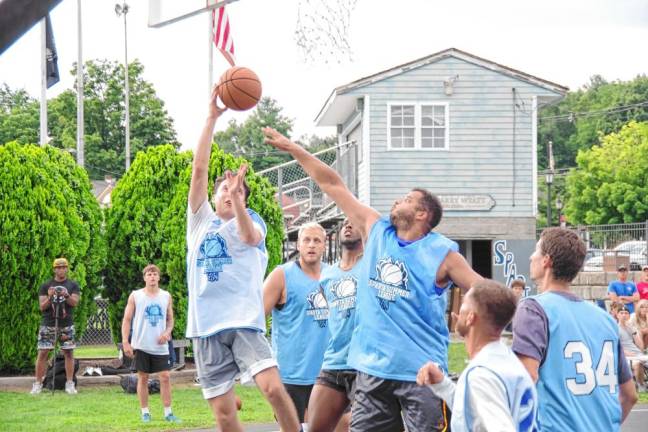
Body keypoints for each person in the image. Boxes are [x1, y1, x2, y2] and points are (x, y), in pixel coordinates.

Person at [263, 127, 483, 432]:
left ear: (422, 214)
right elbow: (331, 183)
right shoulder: (376, 229)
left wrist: (475, 318)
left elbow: (481, 289)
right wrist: (294, 148)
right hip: (372, 372)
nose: (397, 201)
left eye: (407, 199)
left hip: (421, 372)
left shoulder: (442, 253)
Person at [187, 87, 301, 432]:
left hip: (243, 321)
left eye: (233, 191)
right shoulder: (199, 222)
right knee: (224, 414)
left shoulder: (252, 223)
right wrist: (211, 118)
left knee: (272, 388)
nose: (225, 193)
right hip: (205, 325)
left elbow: (249, 237)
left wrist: (238, 198)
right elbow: (199, 169)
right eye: (222, 190)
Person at [512, 228, 637, 430]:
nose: (530, 256)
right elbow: (630, 395)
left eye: (536, 250)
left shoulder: (534, 309)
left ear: (546, 260)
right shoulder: (605, 318)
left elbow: (525, 380)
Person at [417, 279, 538, 432]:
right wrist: (442, 384)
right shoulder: (505, 359)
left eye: (463, 306)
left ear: (470, 318)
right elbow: (473, 413)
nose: (456, 313)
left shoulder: (482, 375)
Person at [263, 222, 330, 425]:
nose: (311, 245)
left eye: (316, 240)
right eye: (306, 240)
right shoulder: (282, 275)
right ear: (298, 245)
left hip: (327, 372)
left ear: (324, 246)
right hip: (291, 374)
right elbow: (256, 319)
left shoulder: (333, 276)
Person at [307, 218, 364, 432]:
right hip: (333, 362)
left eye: (354, 222)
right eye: (345, 223)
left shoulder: (370, 267)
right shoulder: (327, 275)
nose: (349, 225)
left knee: (359, 428)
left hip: (363, 364)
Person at [121, 264, 180, 423]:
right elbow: (126, 320)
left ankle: (168, 413)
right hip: (141, 344)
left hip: (160, 346)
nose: (152, 276)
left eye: (155, 274)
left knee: (165, 377)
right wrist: (125, 342)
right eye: (149, 274)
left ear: (159, 277)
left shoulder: (166, 296)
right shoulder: (136, 295)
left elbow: (170, 319)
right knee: (143, 378)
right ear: (144, 277)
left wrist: (167, 332)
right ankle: (145, 412)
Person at [31, 257, 80, 395]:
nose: (61, 269)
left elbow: (74, 303)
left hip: (66, 324)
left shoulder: (73, 285)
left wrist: (66, 295)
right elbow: (42, 306)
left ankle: (69, 384)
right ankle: (38, 384)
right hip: (48, 323)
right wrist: (50, 296)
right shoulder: (46, 285)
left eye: (64, 267)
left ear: (67, 268)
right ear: (54, 269)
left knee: (69, 353)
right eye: (58, 267)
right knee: (43, 353)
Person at [618, 305, 647, 392]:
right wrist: (627, 353)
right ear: (617, 315)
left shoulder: (631, 328)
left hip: (637, 353)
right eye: (621, 313)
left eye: (626, 313)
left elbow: (640, 346)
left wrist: (634, 331)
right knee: (638, 364)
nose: (624, 315)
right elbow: (617, 346)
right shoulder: (615, 328)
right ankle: (641, 385)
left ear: (629, 316)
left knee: (639, 361)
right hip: (625, 356)